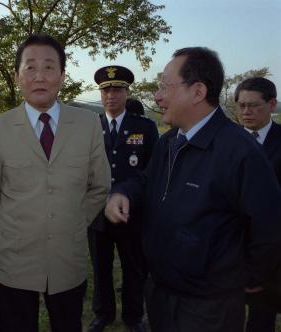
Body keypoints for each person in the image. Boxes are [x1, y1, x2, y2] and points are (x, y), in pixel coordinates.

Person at [105, 47, 281, 332]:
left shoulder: (239, 151)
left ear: (198, 91)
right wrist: (122, 191)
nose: (157, 96)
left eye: (165, 86)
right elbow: (147, 180)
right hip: (161, 291)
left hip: (209, 306)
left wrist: (247, 278)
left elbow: (269, 226)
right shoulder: (169, 141)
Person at [0, 33, 110, 332]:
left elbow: (99, 185)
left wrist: (73, 219)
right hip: (12, 259)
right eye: (30, 67)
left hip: (67, 258)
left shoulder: (87, 124)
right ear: (18, 75)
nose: (39, 76)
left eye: (49, 67)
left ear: (62, 75)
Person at [87, 66, 158, 332]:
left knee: (133, 267)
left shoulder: (145, 127)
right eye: (106, 90)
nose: (111, 96)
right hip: (97, 212)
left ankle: (133, 316)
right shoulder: (90, 127)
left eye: (117, 89)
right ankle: (103, 314)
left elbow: (152, 170)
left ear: (127, 93)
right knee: (101, 268)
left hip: (132, 212)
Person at [235, 77, 281, 332]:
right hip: (231, 248)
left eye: (253, 105)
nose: (246, 112)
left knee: (261, 319)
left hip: (272, 253)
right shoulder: (227, 141)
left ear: (272, 104)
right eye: (241, 106)